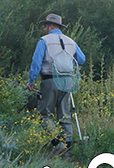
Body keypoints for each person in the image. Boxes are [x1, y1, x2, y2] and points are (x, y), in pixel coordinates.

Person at [26, 13, 86, 158]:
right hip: (68, 81)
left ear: (51, 26)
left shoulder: (44, 41)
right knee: (65, 115)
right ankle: (67, 151)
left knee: (44, 114)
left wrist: (31, 80)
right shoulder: (71, 41)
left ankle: (57, 144)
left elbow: (36, 62)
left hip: (50, 80)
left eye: (46, 26)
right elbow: (82, 59)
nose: (45, 28)